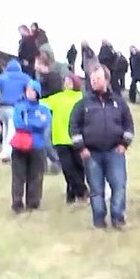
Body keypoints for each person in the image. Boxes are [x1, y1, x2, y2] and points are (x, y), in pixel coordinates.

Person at [70, 64, 135, 230]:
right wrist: (81, 148)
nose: (94, 82)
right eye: (92, 79)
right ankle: (99, 222)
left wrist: (124, 144)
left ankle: (118, 219)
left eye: (97, 78)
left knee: (119, 186)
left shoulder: (119, 103)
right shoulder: (82, 103)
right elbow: (74, 127)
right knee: (96, 190)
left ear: (106, 79)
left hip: (115, 152)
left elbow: (129, 125)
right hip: (91, 154)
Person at [42, 75, 89, 204]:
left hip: (77, 138)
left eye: (69, 81)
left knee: (78, 167)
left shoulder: (81, 98)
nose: (66, 83)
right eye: (65, 81)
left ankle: (72, 195)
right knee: (68, 168)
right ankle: (82, 191)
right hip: (60, 139)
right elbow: (42, 103)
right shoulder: (58, 97)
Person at [8, 80, 52, 213]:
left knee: (36, 175)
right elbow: (19, 123)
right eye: (27, 89)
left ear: (37, 92)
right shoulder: (19, 106)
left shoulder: (43, 108)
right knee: (18, 175)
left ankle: (33, 203)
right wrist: (34, 123)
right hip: (20, 145)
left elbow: (45, 123)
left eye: (32, 90)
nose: (29, 92)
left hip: (37, 145)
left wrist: (30, 123)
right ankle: (17, 202)